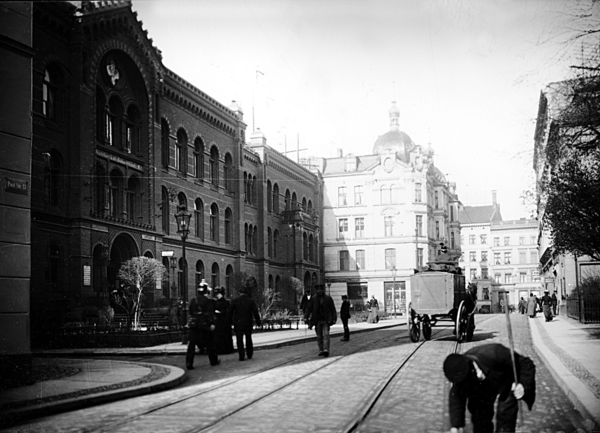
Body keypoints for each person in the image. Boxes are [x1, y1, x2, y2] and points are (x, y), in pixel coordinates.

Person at [443, 343, 536, 433]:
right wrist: (456, 426)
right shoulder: (460, 373)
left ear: (471, 366)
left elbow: (526, 363)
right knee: (480, 420)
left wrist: (523, 385)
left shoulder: (495, 352)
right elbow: (456, 398)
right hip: (482, 389)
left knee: (505, 416)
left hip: (506, 382)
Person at [186, 280, 220, 370]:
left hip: (194, 324)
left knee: (191, 345)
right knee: (209, 343)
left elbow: (190, 312)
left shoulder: (193, 300)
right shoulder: (208, 301)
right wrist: (212, 323)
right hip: (204, 324)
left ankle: (189, 363)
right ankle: (213, 360)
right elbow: (211, 313)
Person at [229, 277, 262, 361]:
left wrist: (230, 322)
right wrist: (258, 322)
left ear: (239, 293)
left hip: (238, 323)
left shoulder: (235, 301)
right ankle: (249, 353)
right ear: (246, 293)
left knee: (239, 339)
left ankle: (241, 355)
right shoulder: (250, 301)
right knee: (248, 338)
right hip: (248, 323)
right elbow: (255, 312)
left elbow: (230, 312)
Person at [304, 284, 337, 357]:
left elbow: (333, 309)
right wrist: (306, 317)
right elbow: (308, 309)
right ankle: (321, 349)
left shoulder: (328, 298)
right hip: (317, 320)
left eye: (321, 290)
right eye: (318, 290)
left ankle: (326, 349)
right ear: (316, 291)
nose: (320, 291)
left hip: (326, 320)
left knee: (326, 335)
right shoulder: (313, 299)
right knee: (319, 336)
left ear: (323, 290)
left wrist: (334, 318)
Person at [213, 287, 234, 354]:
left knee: (224, 336)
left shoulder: (226, 302)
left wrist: (220, 312)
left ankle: (225, 349)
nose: (217, 295)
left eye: (218, 294)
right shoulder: (216, 302)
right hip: (219, 322)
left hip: (223, 322)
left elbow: (228, 312)